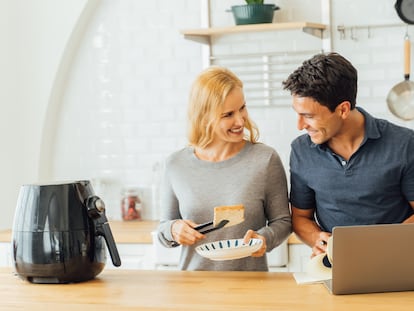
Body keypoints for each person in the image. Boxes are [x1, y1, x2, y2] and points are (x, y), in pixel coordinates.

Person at [157, 66, 292, 271]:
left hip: (250, 288)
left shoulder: (265, 160)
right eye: (228, 114)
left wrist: (264, 238)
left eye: (242, 108)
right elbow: (163, 228)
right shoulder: (175, 165)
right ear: (204, 117)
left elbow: (283, 222)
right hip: (193, 288)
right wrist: (174, 229)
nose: (240, 120)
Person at [282, 52, 414, 258]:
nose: (300, 126)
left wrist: (385, 245)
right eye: (297, 114)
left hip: (398, 262)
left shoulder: (404, 144)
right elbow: (300, 217)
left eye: (309, 116)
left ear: (343, 109)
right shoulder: (301, 151)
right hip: (336, 267)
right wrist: (317, 238)